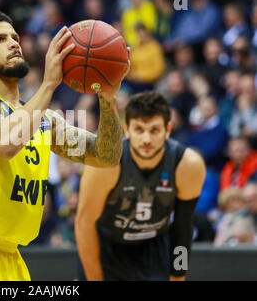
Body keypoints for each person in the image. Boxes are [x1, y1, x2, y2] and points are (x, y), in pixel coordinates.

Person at [0, 11, 129, 281]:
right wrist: (48, 85)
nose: (13, 43)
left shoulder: (43, 120)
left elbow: (106, 156)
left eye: (15, 37)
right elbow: (5, 143)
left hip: (13, 259)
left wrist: (107, 97)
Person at [76, 91, 206, 281]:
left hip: (154, 248)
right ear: (126, 129)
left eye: (154, 130)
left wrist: (178, 276)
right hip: (108, 248)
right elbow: (85, 224)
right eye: (139, 129)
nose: (146, 139)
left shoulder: (188, 165)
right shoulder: (106, 164)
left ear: (168, 130)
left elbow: (182, 229)